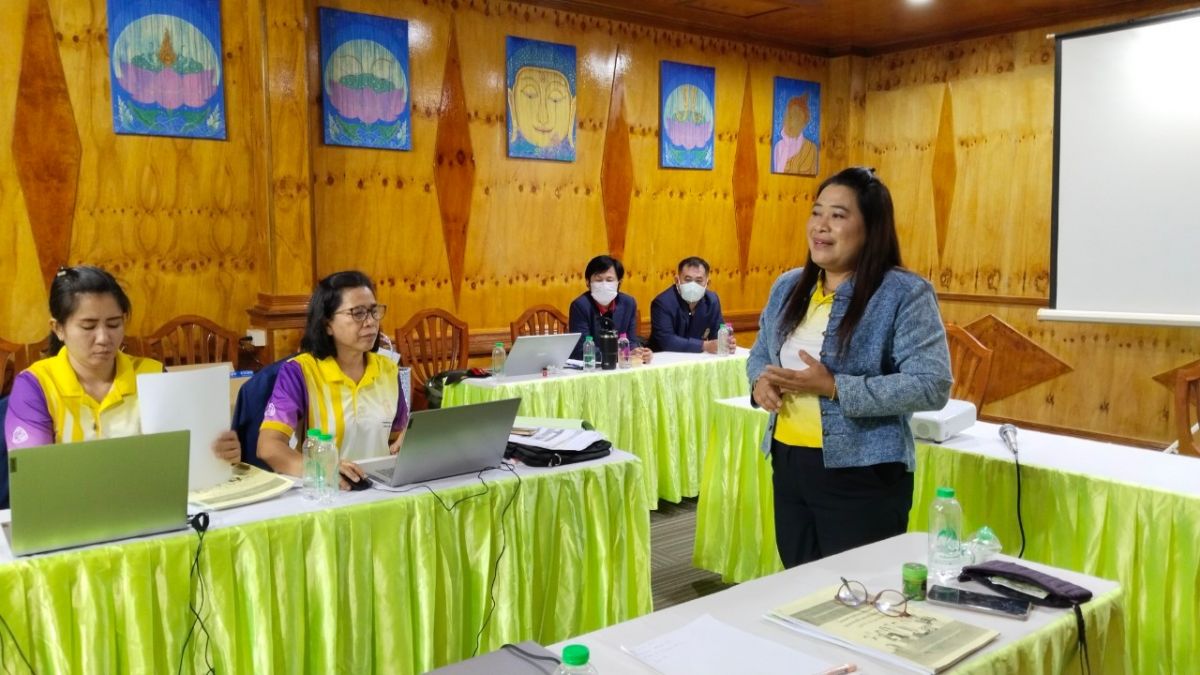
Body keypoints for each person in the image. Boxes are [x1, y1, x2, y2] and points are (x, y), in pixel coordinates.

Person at [747, 167, 951, 568]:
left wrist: (835, 387)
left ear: (871, 228)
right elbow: (759, 355)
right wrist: (759, 383)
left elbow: (931, 384)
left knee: (858, 590)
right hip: (789, 463)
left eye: (838, 215)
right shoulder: (788, 286)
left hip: (863, 472)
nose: (820, 226)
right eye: (816, 212)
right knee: (799, 584)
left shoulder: (903, 293)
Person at [4, 266, 241, 461]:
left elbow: (184, 456)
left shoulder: (153, 375)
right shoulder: (36, 386)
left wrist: (218, 453)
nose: (103, 337)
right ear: (58, 329)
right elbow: (33, 475)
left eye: (114, 324)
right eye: (88, 326)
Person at [257, 271, 407, 489]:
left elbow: (394, 437)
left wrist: (406, 442)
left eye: (374, 312)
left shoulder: (389, 369)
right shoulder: (300, 372)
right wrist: (322, 469)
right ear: (327, 323)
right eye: (358, 313)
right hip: (326, 493)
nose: (370, 322)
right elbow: (268, 447)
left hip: (380, 490)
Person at [567, 255, 652, 363]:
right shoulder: (580, 306)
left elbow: (631, 342)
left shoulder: (628, 303)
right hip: (592, 367)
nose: (604, 284)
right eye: (598, 280)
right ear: (588, 282)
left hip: (621, 366)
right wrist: (619, 356)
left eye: (609, 280)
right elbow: (582, 350)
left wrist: (639, 353)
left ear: (619, 282)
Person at [649, 256, 726, 353]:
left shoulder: (711, 301)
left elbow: (718, 333)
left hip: (698, 358)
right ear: (677, 280)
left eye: (699, 281)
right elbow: (666, 340)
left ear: (708, 283)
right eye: (688, 279)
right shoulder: (662, 303)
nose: (693, 285)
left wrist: (725, 342)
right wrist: (704, 345)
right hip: (666, 357)